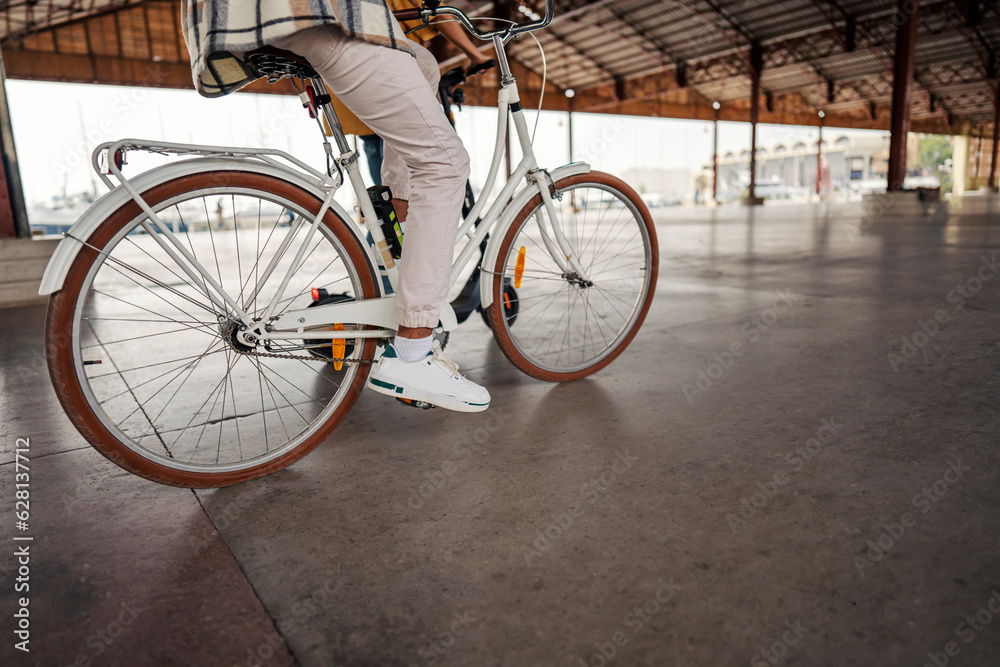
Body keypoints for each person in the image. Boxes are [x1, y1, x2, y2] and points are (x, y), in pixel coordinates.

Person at [181, 0, 491, 412]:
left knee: (423, 63)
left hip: (270, 21)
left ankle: (400, 210)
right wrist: (474, 49)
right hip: (312, 17)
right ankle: (413, 354)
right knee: (447, 165)